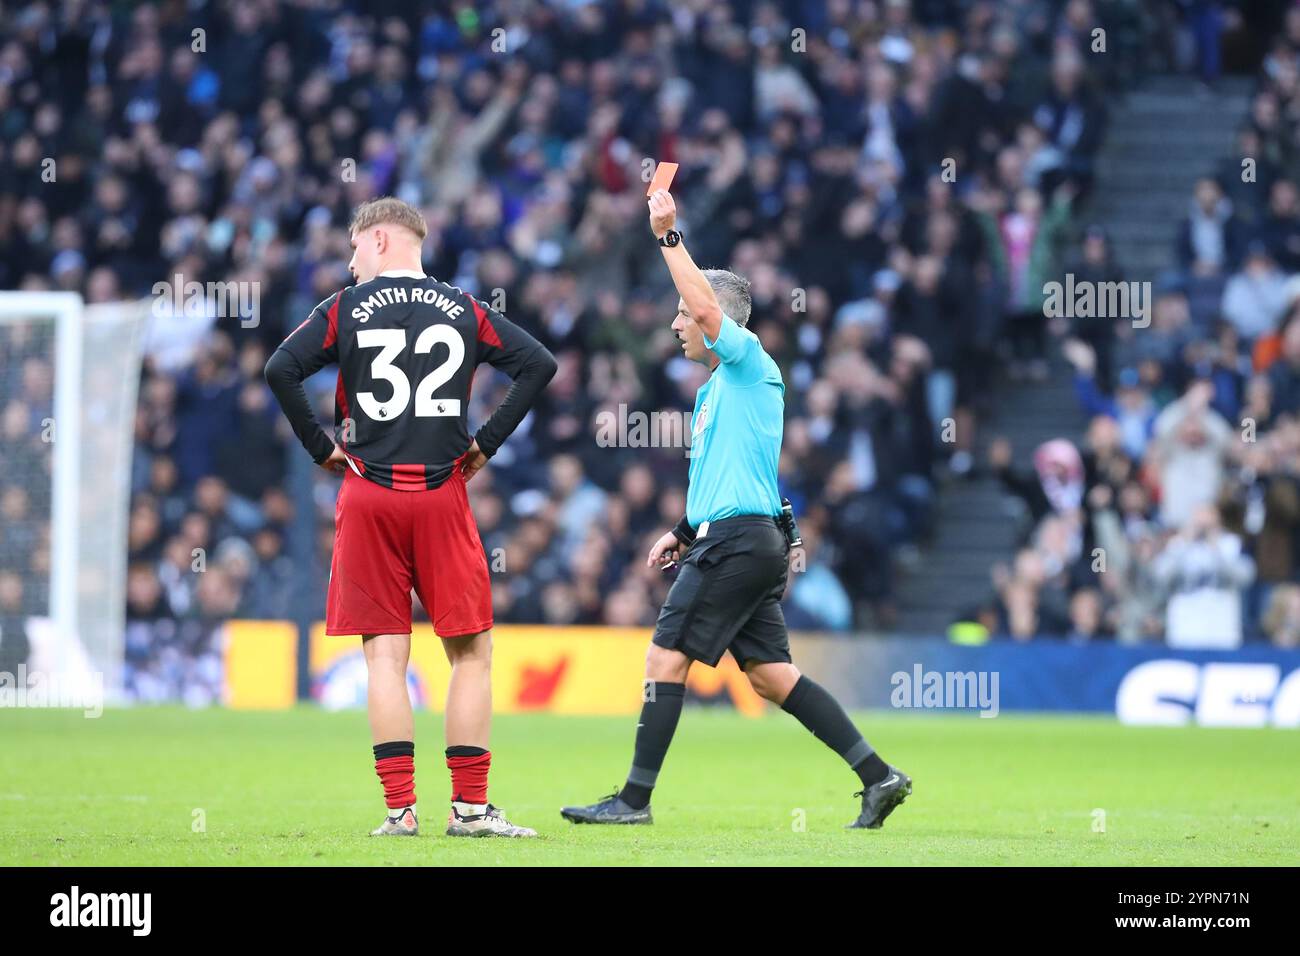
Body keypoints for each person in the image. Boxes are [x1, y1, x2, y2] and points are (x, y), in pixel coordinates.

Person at [560, 190, 911, 829]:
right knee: (773, 676)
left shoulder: (749, 361)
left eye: (682, 315)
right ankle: (878, 776)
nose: (675, 325)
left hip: (739, 542)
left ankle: (633, 803)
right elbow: (736, 476)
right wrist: (682, 529)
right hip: (739, 535)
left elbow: (699, 300)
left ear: (714, 318)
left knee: (665, 657)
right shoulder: (716, 393)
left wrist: (668, 235)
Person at [264, 197, 556, 838]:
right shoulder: (465, 308)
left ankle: (400, 813)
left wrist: (321, 448)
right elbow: (539, 364)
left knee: (385, 659)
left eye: (353, 247)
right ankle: (471, 811)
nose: (349, 261)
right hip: (442, 491)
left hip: (367, 491)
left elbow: (280, 367)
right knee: (472, 654)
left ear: (382, 240)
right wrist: (486, 442)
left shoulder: (343, 309)